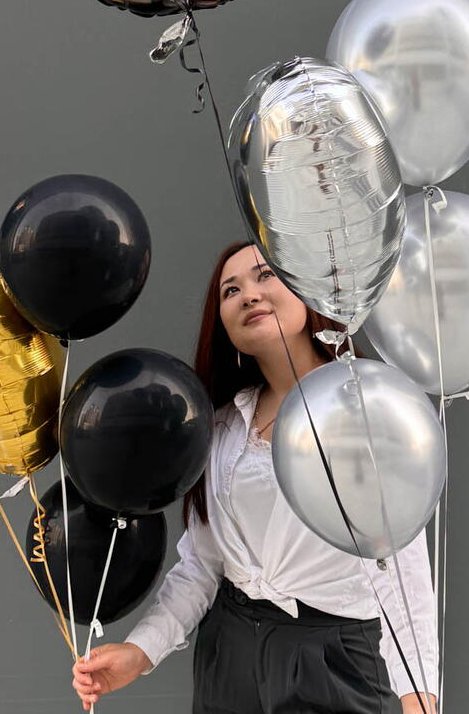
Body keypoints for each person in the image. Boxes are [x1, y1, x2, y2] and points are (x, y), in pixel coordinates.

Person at [72, 242, 439, 713]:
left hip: (332, 658)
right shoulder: (221, 426)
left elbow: (404, 570)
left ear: (306, 292)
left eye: (265, 275)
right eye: (231, 290)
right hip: (230, 652)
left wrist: (419, 697)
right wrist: (140, 652)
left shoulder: (365, 409)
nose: (249, 294)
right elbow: (202, 566)